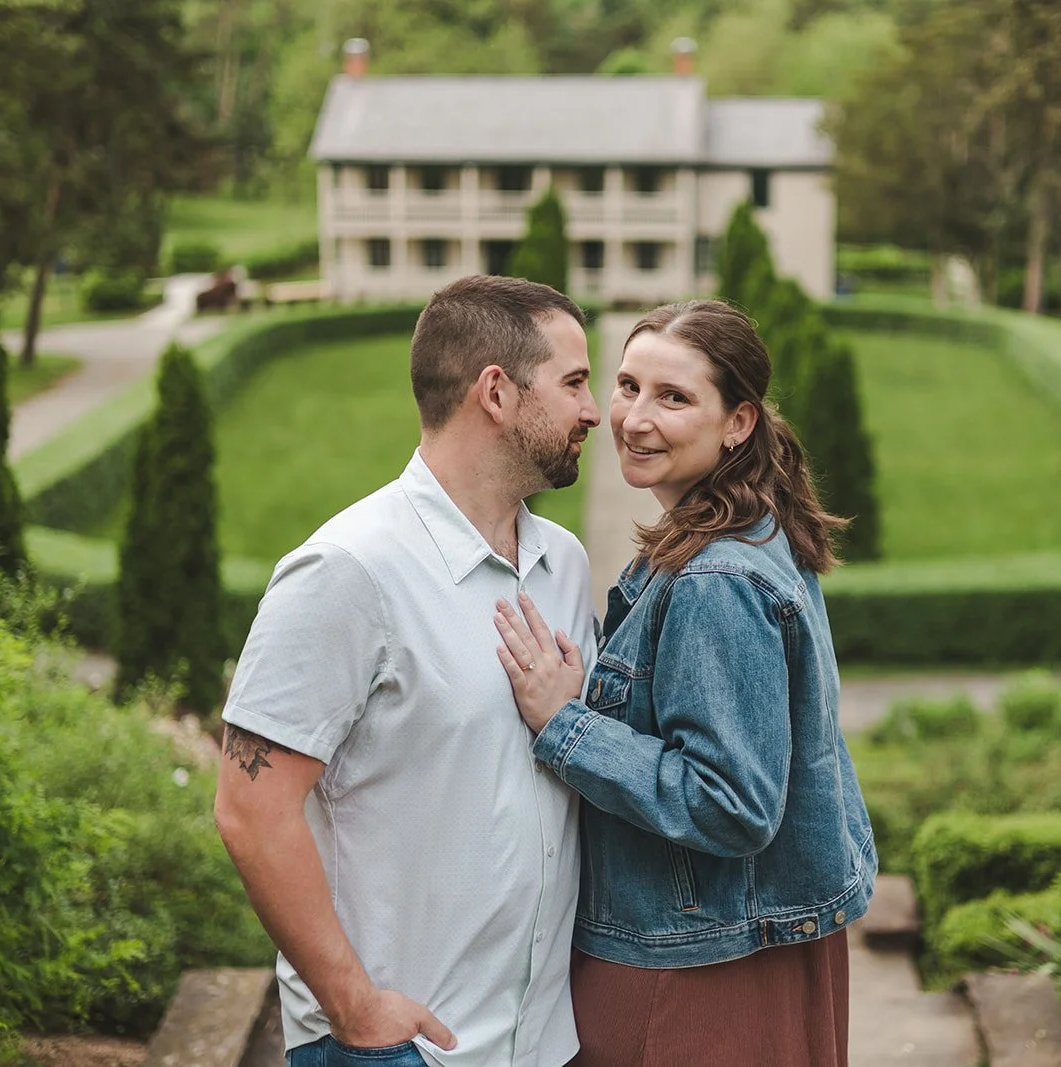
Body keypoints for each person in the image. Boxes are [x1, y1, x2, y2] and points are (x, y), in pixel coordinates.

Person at [213, 275, 602, 1067]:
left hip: (544, 1046)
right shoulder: (348, 569)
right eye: (574, 383)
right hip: (402, 1051)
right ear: (497, 393)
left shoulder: (564, 563)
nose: (594, 410)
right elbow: (249, 808)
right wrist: (355, 1009)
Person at [490, 299, 876, 1066]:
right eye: (628, 386)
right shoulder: (750, 529)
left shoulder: (716, 579)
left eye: (674, 398)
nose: (633, 418)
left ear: (738, 423)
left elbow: (734, 802)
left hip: (693, 970)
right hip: (739, 946)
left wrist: (565, 725)